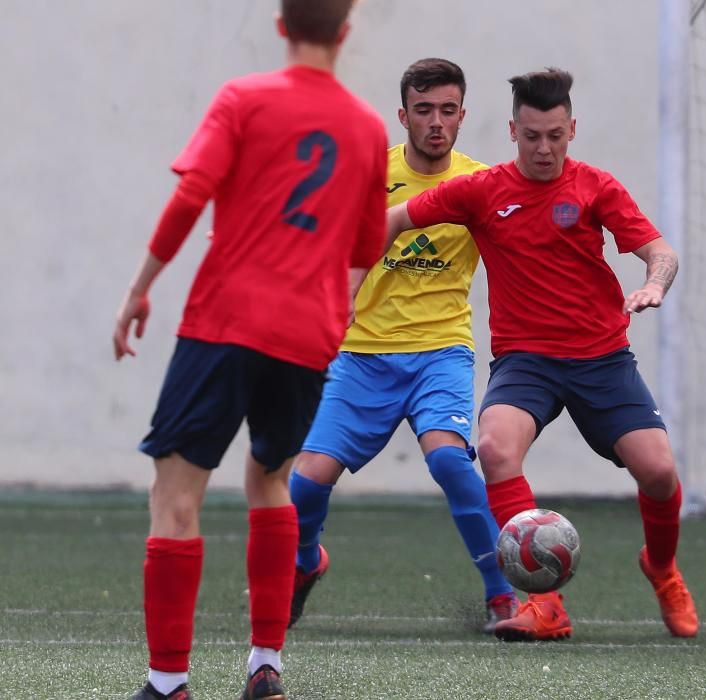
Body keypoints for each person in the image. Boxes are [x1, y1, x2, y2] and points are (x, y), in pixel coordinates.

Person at [112, 2, 387, 698]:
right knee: (271, 480)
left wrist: (140, 289)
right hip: (307, 336)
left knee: (176, 496)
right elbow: (361, 249)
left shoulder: (244, 98)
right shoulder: (366, 128)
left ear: (280, 25)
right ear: (345, 33)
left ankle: (168, 680)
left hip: (225, 322)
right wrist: (331, 313)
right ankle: (266, 665)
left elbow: (190, 197)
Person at [384, 68, 699, 642]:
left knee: (658, 472)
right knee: (494, 446)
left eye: (555, 135)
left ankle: (661, 568)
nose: (544, 148)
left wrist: (655, 283)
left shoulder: (595, 186)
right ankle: (545, 604)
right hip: (526, 361)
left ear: (571, 129)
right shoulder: (481, 191)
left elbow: (661, 252)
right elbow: (395, 219)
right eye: (532, 136)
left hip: (601, 357)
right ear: (512, 130)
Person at [287, 58, 518, 634]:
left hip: (442, 349)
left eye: (447, 110)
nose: (435, 122)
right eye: (423, 110)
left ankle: (502, 595)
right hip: (364, 352)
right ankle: (306, 560)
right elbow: (332, 246)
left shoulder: (482, 185)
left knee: (450, 460)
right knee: (304, 481)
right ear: (404, 115)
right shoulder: (370, 174)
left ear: (463, 115)